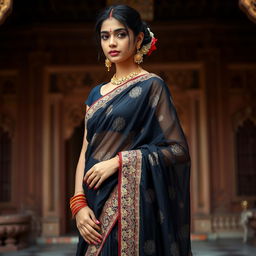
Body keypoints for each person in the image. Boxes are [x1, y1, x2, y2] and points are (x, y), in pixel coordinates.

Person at [70, 4, 192, 256]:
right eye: (105, 36)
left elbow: (178, 150)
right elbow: (85, 151)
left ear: (138, 39)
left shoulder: (152, 86)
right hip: (93, 206)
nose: (111, 43)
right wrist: (78, 203)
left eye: (120, 34)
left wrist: (119, 162)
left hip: (133, 206)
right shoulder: (95, 94)